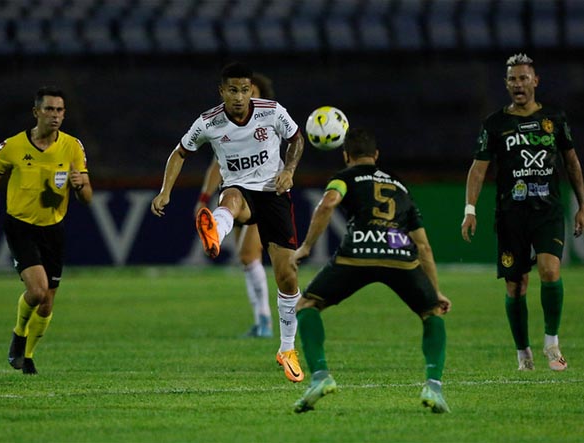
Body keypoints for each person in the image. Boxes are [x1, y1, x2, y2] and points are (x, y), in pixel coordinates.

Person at [151, 62, 306, 383]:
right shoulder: (209, 122)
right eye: (232, 90)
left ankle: (287, 349)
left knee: (287, 275)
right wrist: (165, 191)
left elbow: (296, 138)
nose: (239, 96)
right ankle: (215, 232)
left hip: (273, 193)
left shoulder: (272, 111)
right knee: (231, 200)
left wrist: (289, 170)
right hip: (239, 189)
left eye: (245, 90)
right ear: (222, 91)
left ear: (252, 90)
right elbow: (180, 152)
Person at [291, 128, 452, 413]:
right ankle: (434, 387)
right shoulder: (400, 186)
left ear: (346, 156)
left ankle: (320, 376)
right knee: (431, 313)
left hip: (358, 251)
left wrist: (306, 247)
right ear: (376, 156)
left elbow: (329, 202)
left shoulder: (344, 177)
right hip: (399, 252)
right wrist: (435, 290)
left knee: (307, 304)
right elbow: (424, 246)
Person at [461, 54, 584, 372]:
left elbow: (571, 162)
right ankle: (523, 353)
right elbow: (477, 170)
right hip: (511, 213)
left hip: (548, 210)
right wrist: (470, 209)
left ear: (535, 81)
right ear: (506, 84)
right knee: (516, 285)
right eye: (512, 79)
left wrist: (582, 205)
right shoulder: (495, 124)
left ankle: (552, 344)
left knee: (550, 270)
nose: (518, 84)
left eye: (523, 77)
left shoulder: (554, 118)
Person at [0, 86, 92, 375]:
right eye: (49, 109)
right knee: (38, 291)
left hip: (53, 229)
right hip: (20, 227)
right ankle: (18, 335)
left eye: (60, 110)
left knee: (48, 302)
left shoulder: (72, 147)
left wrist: (81, 185)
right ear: (36, 112)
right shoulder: (12, 147)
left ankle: (26, 356)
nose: (55, 115)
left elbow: (87, 196)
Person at [194, 72, 276, 338]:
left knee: (249, 255)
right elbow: (216, 165)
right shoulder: (227, 127)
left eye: (250, 93)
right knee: (247, 259)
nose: (244, 99)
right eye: (239, 92)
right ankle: (261, 320)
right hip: (236, 194)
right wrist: (204, 198)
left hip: (264, 195)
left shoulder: (268, 125)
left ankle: (265, 321)